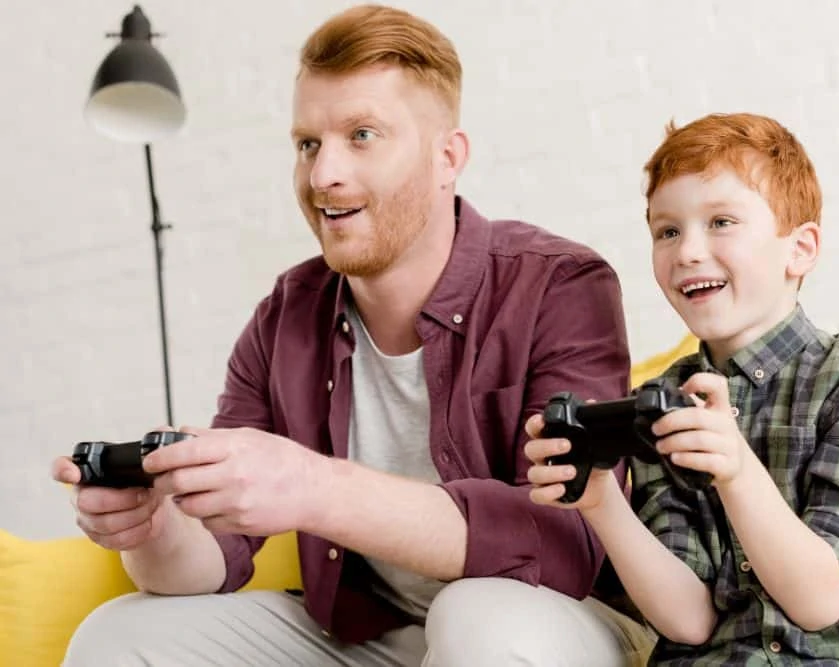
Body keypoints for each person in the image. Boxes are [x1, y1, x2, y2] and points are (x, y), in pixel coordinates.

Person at [51, 4, 652, 665]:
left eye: (361, 135)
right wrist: (151, 528)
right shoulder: (285, 316)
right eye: (308, 143)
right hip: (373, 633)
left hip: (554, 623)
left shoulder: (559, 285)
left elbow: (563, 540)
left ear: (447, 157)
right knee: (120, 635)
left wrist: (312, 485)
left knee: (477, 614)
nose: (322, 175)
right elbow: (217, 559)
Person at [524, 112, 839, 665]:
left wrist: (737, 470)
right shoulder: (665, 401)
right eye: (667, 231)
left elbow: (821, 600)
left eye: (721, 221)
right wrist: (602, 502)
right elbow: (691, 621)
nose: (688, 251)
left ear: (800, 249)